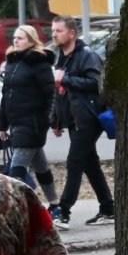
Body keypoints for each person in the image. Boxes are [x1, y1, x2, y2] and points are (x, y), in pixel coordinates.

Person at [48, 15, 113, 227]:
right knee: (89, 164)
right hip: (74, 119)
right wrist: (56, 120)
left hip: (89, 118)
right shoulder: (62, 57)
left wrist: (64, 78)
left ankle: (63, 211)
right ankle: (108, 208)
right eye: (53, 30)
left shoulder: (87, 55)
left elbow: (96, 84)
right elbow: (60, 93)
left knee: (74, 161)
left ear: (72, 33)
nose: (54, 35)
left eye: (59, 31)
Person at [0, 25, 58, 206]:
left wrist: (51, 120)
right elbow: (6, 95)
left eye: (20, 38)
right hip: (17, 123)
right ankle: (55, 204)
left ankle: (18, 210)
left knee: (16, 171)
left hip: (33, 124)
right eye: (14, 38)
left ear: (31, 41)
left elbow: (51, 94)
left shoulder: (39, 63)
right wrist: (2, 124)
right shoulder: (12, 63)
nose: (15, 41)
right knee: (41, 167)